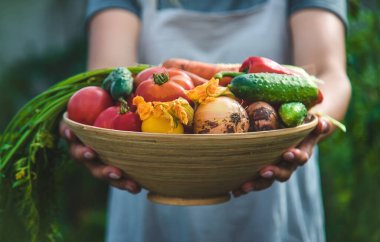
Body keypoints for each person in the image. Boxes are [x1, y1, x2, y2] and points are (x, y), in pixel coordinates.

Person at [59, 0, 351, 241]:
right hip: (149, 180)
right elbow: (107, 81)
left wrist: (313, 125)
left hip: (272, 186)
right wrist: (94, 132)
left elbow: (329, 75)